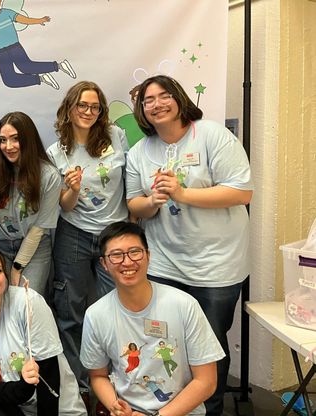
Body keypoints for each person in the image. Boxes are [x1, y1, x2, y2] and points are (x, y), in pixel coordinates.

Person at [125, 75, 253, 415]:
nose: (156, 104)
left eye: (164, 96)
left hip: (216, 265)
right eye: (148, 100)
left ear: (179, 98)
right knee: (167, 342)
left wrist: (183, 194)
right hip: (166, 265)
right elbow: (133, 205)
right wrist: (153, 200)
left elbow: (242, 191)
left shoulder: (212, 135)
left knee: (207, 347)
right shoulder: (140, 151)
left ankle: (208, 410)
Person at [80, 222, 225, 416]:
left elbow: (206, 381)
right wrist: (117, 406)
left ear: (148, 255)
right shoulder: (96, 315)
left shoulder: (183, 305)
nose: (127, 262)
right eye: (116, 255)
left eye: (135, 252)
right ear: (104, 264)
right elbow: (98, 376)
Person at [46, 81, 129, 409]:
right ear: (69, 108)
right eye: (82, 105)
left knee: (119, 313)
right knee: (71, 312)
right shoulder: (56, 152)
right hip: (75, 234)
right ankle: (78, 391)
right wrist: (74, 189)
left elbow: (130, 181)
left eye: (95, 107)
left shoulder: (115, 138)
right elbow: (64, 206)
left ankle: (117, 393)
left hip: (115, 234)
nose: (88, 112)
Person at [0, 244, 86, 416]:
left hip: (56, 410)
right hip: (16, 407)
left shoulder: (27, 302)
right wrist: (23, 387)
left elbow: (48, 374)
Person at [0, 111, 61, 296]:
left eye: (15, 139)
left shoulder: (48, 175)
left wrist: (17, 267)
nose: (8, 146)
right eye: (3, 140)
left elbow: (38, 229)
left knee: (28, 301)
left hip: (34, 247)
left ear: (29, 139)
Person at [0, 1, 76, 90]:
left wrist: (39, 20)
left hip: (14, 47)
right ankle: (41, 79)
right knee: (9, 80)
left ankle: (59, 66)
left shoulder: (7, 13)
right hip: (0, 52)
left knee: (26, 67)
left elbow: (24, 20)